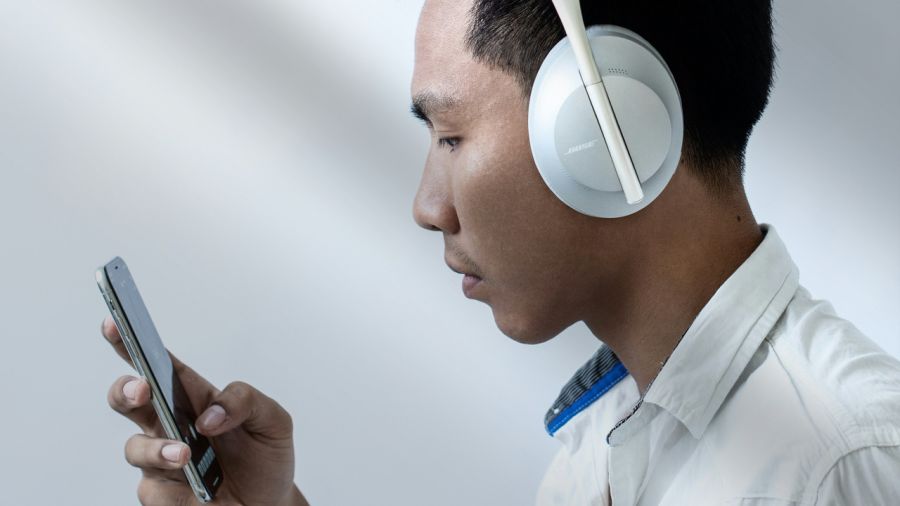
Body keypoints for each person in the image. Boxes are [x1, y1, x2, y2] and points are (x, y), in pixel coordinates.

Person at [100, 0, 900, 504]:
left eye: (450, 135)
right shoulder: (610, 436)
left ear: (610, 127)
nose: (426, 207)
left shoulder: (842, 460)